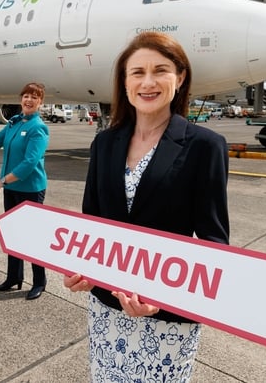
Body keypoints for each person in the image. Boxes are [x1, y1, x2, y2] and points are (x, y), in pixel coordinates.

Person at [63, 32, 230, 382]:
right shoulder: (104, 143)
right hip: (106, 309)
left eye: (161, 70)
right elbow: (90, 223)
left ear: (180, 77)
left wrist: (162, 297)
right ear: (124, 82)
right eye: (137, 72)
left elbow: (215, 243)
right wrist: (78, 270)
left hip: (166, 318)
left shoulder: (205, 146)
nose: (148, 82)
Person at [0, 82, 50, 300]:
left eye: (34, 97)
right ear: (20, 99)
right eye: (25, 95)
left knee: (34, 237)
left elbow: (29, 163)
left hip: (30, 190)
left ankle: (39, 282)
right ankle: (14, 277)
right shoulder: (14, 123)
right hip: (12, 188)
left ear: (40, 102)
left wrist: (1, 182)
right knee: (13, 233)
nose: (28, 100)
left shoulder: (38, 128)